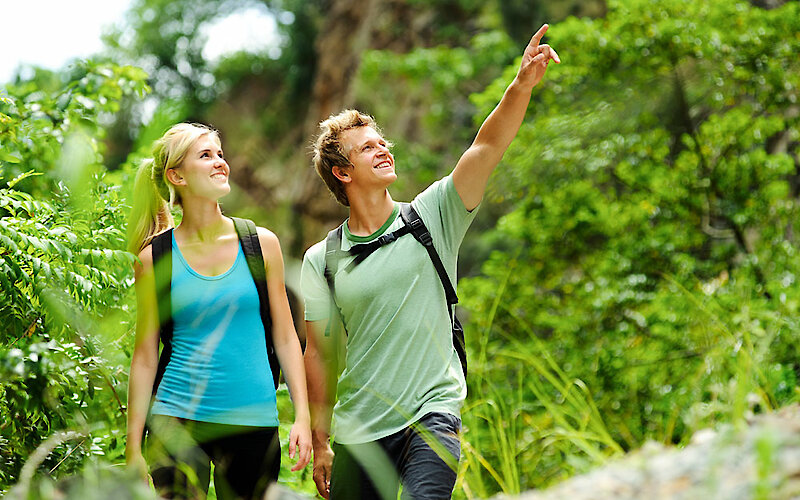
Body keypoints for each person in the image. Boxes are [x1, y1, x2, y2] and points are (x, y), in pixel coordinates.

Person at [300, 24, 560, 499]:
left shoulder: (432, 215)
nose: (382, 149)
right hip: (359, 429)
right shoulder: (323, 259)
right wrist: (321, 441)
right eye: (367, 148)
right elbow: (318, 354)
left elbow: (485, 147)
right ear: (342, 172)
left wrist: (520, 85)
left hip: (432, 411)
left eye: (381, 142)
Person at [125, 122, 312, 499]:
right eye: (206, 155)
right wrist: (132, 448)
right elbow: (145, 356)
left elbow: (286, 338)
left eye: (220, 154)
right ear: (176, 176)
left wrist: (302, 417)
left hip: (252, 423)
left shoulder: (261, 244)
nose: (220, 163)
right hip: (176, 422)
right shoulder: (155, 258)